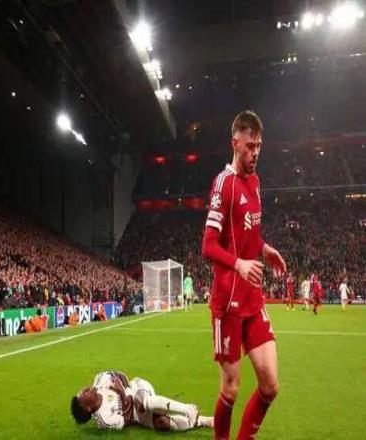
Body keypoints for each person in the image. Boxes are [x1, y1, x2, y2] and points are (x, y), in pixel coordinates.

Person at [201, 111, 286, 440]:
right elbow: (208, 245)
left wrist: (265, 249)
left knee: (270, 385)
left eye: (259, 146)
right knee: (231, 389)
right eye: (250, 146)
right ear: (235, 143)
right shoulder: (224, 184)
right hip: (228, 302)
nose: (255, 153)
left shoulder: (255, 182)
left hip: (252, 297)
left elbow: (249, 233)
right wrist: (239, 264)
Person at [71, 370, 213, 432]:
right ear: (88, 408)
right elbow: (127, 420)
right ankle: (201, 421)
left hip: (137, 387)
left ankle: (187, 408)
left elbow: (121, 375)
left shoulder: (100, 380)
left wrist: (126, 392)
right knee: (162, 423)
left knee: (141, 401)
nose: (85, 389)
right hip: (137, 415)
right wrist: (122, 393)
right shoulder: (104, 420)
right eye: (83, 394)